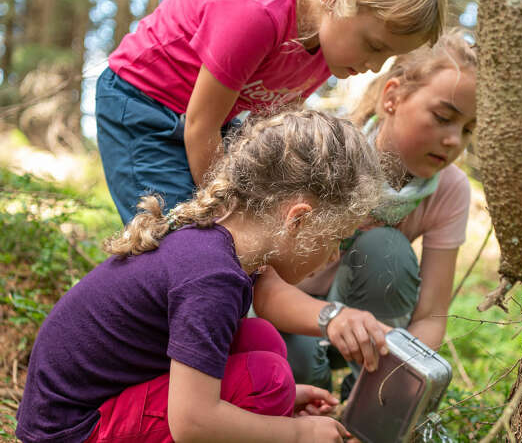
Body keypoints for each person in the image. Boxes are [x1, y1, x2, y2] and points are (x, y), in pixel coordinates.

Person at [16, 111, 386, 443]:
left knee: (261, 339)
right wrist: (295, 433)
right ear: (298, 220)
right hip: (73, 431)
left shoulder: (214, 247)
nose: (334, 255)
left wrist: (287, 403)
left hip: (92, 409)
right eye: (337, 238)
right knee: (267, 379)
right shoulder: (212, 277)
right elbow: (192, 422)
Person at [96, 0, 445, 224]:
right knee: (177, 233)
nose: (373, 67)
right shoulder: (258, 12)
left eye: (387, 58)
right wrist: (223, 214)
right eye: (374, 46)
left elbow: (268, 133)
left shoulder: (330, 48)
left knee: (250, 226)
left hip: (208, 121)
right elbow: (201, 126)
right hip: (141, 104)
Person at [255, 32, 477, 394]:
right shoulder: (328, 148)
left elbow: (431, 316)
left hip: (364, 329)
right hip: (280, 316)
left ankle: (360, 407)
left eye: (468, 129)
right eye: (442, 117)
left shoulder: (450, 189)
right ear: (392, 97)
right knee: (295, 364)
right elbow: (262, 277)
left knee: (385, 248)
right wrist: (330, 319)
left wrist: (389, 388)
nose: (455, 140)